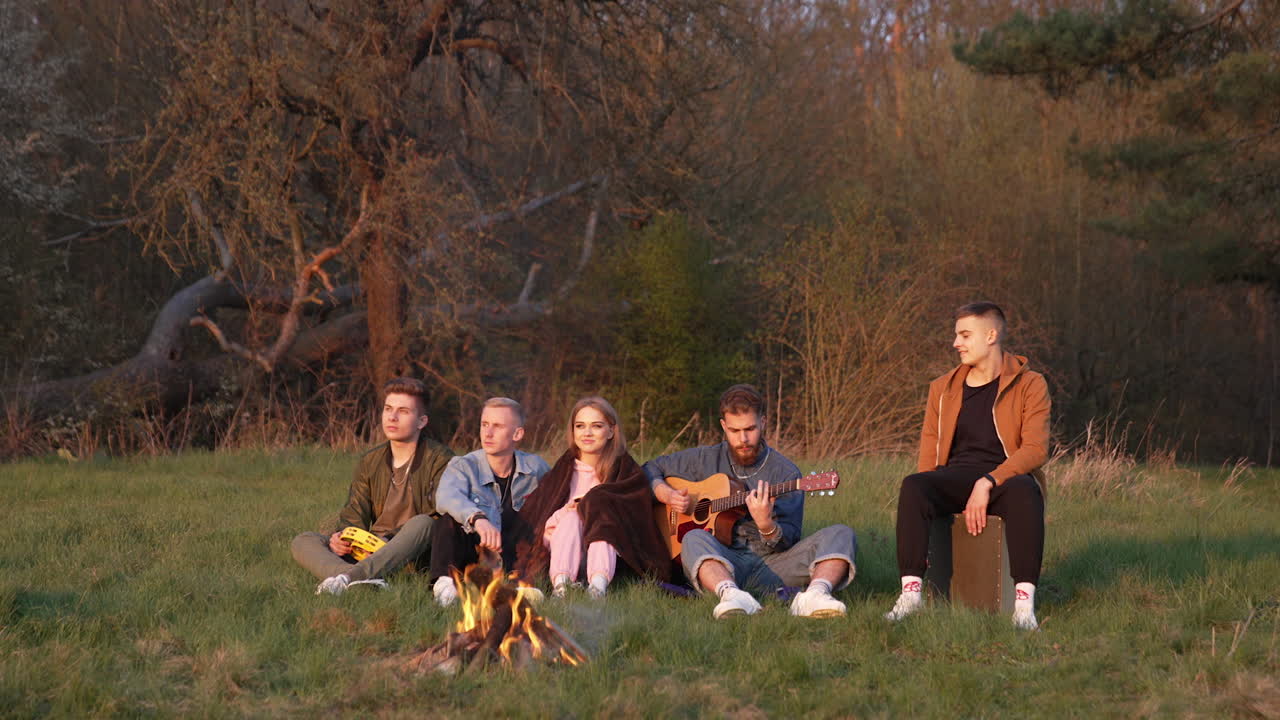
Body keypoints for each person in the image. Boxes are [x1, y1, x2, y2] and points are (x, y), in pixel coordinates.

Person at [885, 302, 1049, 630]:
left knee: (1025, 490)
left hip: (1005, 478)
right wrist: (930, 489)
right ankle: (911, 596)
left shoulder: (1031, 384)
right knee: (915, 485)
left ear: (991, 335)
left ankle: (1023, 607)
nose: (955, 343)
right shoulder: (942, 388)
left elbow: (1035, 449)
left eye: (964, 335)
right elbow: (930, 451)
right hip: (955, 477)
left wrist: (988, 481)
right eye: (956, 335)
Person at [645, 384, 857, 619]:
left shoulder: (786, 473)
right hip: (721, 562)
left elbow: (790, 541)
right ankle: (731, 595)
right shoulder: (704, 459)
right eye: (734, 431)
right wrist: (666, 494)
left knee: (842, 534)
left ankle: (814, 596)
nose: (743, 439)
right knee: (693, 538)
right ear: (723, 426)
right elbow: (650, 468)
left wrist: (767, 526)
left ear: (763, 423)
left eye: (750, 429)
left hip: (773, 565)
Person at [290, 377, 454, 595]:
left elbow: (439, 515)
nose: (392, 417)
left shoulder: (441, 459)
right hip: (366, 549)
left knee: (423, 523)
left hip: (411, 553)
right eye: (388, 409)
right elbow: (354, 514)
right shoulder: (370, 461)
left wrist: (386, 541)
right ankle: (359, 578)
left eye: (403, 411)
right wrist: (342, 538)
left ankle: (346, 579)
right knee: (304, 540)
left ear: (421, 421)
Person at [515, 396, 669, 598]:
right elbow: (540, 521)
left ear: (611, 431)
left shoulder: (626, 472)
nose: (587, 433)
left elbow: (635, 519)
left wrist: (589, 506)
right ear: (573, 431)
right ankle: (562, 587)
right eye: (580, 426)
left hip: (610, 554)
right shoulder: (563, 470)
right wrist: (567, 512)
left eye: (596, 426)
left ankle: (597, 589)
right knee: (572, 518)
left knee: (602, 513)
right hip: (562, 549)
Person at [430, 397, 551, 606]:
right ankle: (445, 586)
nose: (488, 433)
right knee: (447, 520)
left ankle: (526, 585)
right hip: (476, 552)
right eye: (484, 424)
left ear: (517, 434)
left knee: (546, 526)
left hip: (518, 554)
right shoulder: (464, 465)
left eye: (497, 426)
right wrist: (477, 518)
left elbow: (557, 496)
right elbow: (446, 496)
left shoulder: (535, 468)